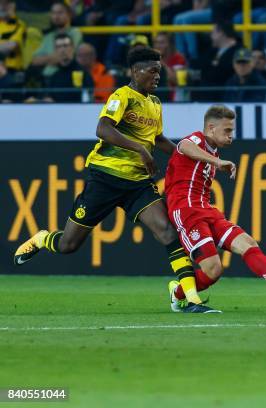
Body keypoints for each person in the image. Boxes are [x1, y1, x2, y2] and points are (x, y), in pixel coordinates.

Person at [14, 46, 213, 314]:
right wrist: (140, 149)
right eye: (153, 71)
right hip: (105, 179)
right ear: (135, 71)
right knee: (68, 245)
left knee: (166, 231)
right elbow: (103, 129)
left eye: (160, 71)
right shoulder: (122, 96)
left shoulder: (154, 103)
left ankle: (190, 298)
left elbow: (158, 139)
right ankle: (41, 239)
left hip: (137, 184)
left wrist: (192, 155)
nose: (158, 76)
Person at [165, 105, 266, 312]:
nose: (231, 136)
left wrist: (215, 159)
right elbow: (183, 146)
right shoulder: (197, 140)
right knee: (213, 270)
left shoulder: (212, 151)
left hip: (206, 209)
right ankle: (178, 294)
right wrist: (217, 161)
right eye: (227, 131)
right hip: (186, 211)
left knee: (247, 242)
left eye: (232, 131)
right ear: (211, 128)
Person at [30, 1, 83, 78]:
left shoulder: (75, 32)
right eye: (53, 13)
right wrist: (52, 57)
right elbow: (34, 61)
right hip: (47, 79)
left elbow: (67, 57)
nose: (56, 16)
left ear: (69, 14)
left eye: (60, 12)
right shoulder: (48, 37)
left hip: (67, 77)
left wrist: (46, 60)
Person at [43, 33, 94, 103]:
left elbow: (89, 100)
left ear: (73, 48)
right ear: (55, 50)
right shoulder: (54, 77)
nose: (62, 50)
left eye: (65, 46)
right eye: (59, 47)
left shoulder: (83, 74)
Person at [0, 0, 26, 71]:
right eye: (0, 3)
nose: (2, 7)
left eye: (6, 3)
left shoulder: (19, 25)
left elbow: (11, 46)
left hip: (11, 71)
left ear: (12, 6)